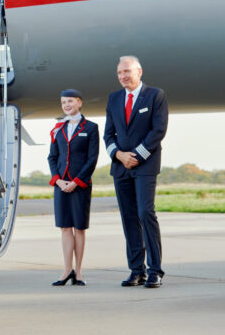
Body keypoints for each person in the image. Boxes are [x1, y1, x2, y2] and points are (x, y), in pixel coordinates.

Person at [103, 55, 168, 288]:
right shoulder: (114, 99)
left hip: (145, 165)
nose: (123, 76)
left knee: (145, 213)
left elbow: (158, 130)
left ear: (139, 72)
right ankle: (136, 270)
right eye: (120, 72)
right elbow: (108, 134)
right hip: (121, 167)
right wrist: (119, 155)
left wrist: (137, 155)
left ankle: (155, 270)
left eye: (127, 72)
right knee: (128, 218)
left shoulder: (155, 96)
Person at [47, 89, 99, 287]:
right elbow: (52, 157)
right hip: (61, 185)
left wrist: (76, 182)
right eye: (63, 102)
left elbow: (92, 159)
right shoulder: (57, 128)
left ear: (79, 102)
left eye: (70, 101)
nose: (66, 105)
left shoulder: (91, 128)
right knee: (64, 228)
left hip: (80, 186)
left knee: (79, 228)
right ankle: (66, 270)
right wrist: (58, 180)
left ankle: (79, 272)